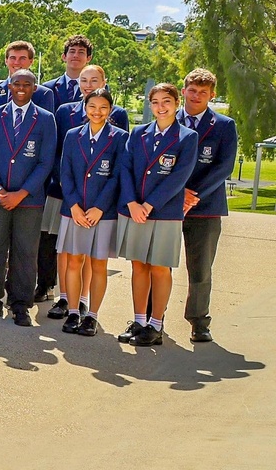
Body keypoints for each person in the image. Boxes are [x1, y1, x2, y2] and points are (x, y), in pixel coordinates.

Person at [40, 63, 131, 317]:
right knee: (66, 249)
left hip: (100, 201)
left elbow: (118, 167)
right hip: (67, 193)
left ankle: (82, 301)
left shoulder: (119, 120)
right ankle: (64, 297)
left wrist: (99, 206)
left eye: (94, 80)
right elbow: (59, 154)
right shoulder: (65, 112)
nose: (88, 84)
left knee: (90, 253)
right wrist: (71, 199)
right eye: (84, 80)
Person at [0, 69, 59, 327]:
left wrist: (21, 193)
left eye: (27, 84)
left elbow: (46, 162)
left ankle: (20, 305)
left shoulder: (45, 119)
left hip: (28, 201)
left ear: (35, 88)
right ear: (9, 87)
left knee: (25, 252)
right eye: (16, 84)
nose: (21, 88)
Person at [115, 83, 200, 347]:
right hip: (135, 210)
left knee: (160, 268)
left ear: (176, 103)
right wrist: (131, 203)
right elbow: (125, 168)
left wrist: (149, 204)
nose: (160, 107)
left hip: (164, 212)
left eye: (166, 102)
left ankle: (156, 324)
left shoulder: (186, 137)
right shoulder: (138, 133)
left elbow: (178, 177)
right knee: (138, 265)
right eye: (155, 102)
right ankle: (139, 320)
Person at [53, 87, 128, 337]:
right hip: (74, 210)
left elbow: (117, 176)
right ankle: (73, 311)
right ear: (85, 108)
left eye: (103, 107)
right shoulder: (73, 135)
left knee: (98, 265)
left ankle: (92, 316)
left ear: (111, 110)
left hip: (102, 214)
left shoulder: (119, 137)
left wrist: (99, 207)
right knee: (74, 261)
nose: (97, 112)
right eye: (92, 107)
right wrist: (74, 205)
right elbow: (66, 172)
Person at [178, 68, 238, 343]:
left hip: (206, 207)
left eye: (203, 92)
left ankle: (199, 322)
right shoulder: (168, 119)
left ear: (212, 95)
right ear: (184, 90)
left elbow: (223, 166)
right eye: (192, 90)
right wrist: (178, 194)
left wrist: (194, 195)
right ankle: (154, 319)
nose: (197, 95)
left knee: (200, 269)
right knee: (157, 265)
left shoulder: (224, 126)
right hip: (168, 205)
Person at [0, 41, 57, 114]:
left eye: (22, 58)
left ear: (31, 61)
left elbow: (46, 125)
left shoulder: (43, 94)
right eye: (13, 58)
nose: (17, 62)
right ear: (6, 60)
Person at [42, 35, 93, 109]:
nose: (76, 55)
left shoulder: (96, 88)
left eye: (81, 52)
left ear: (88, 58)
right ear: (64, 57)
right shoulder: (47, 88)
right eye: (72, 51)